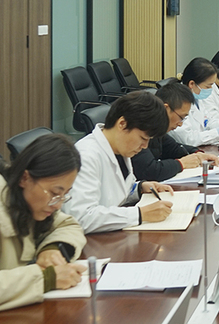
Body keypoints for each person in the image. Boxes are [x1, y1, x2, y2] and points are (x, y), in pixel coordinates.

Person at [0, 134, 87, 322]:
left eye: (64, 195)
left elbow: (68, 224)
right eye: (55, 193)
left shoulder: (28, 202)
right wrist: (46, 278)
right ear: (25, 178)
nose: (58, 205)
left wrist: (51, 249)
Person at [64, 91, 176, 234]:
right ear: (122, 124)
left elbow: (115, 192)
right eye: (143, 138)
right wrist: (140, 214)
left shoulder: (119, 149)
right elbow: (81, 217)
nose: (145, 146)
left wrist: (139, 188)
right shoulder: (86, 156)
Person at [131, 82, 219, 182]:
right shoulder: (139, 127)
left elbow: (174, 148)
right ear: (165, 108)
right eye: (181, 117)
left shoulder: (157, 129)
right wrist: (181, 163)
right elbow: (150, 171)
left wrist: (198, 154)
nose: (180, 124)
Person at [167, 57, 219, 147]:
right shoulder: (178, 102)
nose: (210, 89)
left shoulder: (196, 98)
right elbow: (189, 139)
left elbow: (208, 121)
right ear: (192, 84)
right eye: (208, 86)